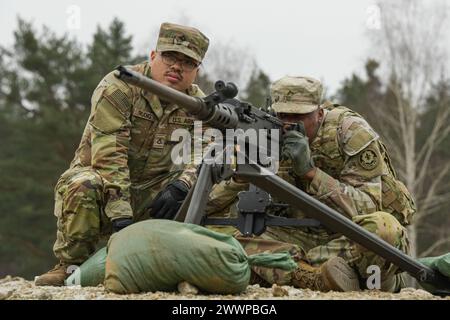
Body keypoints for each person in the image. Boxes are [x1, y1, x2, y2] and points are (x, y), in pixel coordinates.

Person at [35, 22, 210, 286]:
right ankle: (70, 264)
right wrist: (119, 213)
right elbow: (109, 154)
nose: (177, 66)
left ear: (196, 71)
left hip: (153, 193)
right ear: (153, 56)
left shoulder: (200, 105)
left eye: (187, 62)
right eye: (169, 56)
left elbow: (206, 150)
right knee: (83, 184)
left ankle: (179, 266)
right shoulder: (120, 86)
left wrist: (182, 185)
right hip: (104, 184)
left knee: (210, 189)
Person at [206, 76, 416, 292]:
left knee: (385, 230)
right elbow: (209, 205)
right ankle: (311, 274)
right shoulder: (264, 132)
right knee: (214, 234)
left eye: (299, 116)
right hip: (294, 237)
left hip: (345, 239)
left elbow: (369, 206)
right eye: (282, 115)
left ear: (319, 114)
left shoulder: (349, 132)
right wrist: (243, 176)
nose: (288, 124)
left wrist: (311, 173)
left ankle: (286, 269)